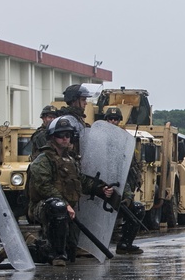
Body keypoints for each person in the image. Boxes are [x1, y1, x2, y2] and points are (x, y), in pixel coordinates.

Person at [26, 117, 114, 266]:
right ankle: (57, 256)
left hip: (67, 208)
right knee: (57, 207)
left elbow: (81, 182)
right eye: (61, 135)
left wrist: (100, 189)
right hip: (44, 206)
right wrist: (65, 204)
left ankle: (30, 248)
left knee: (70, 251)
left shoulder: (70, 160)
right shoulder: (43, 160)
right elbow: (44, 187)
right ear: (52, 137)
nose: (65, 139)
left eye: (68, 135)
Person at [104, 106, 145, 254]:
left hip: (121, 183)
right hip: (102, 183)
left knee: (136, 210)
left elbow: (130, 165)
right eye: (110, 119)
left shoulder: (126, 139)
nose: (113, 121)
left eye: (116, 119)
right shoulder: (99, 138)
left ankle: (125, 244)